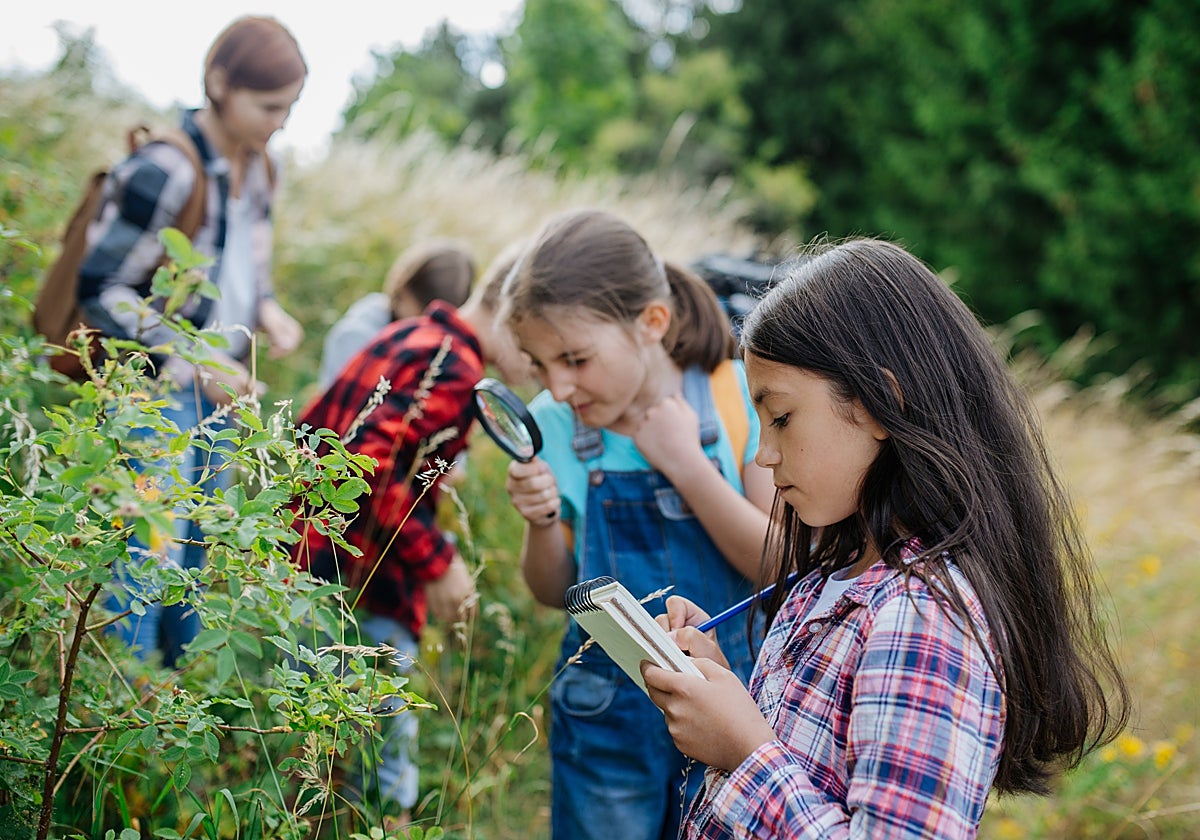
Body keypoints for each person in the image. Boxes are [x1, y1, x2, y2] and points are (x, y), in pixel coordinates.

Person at [641, 237, 1131, 838]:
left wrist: (745, 753)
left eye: (783, 417)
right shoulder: (836, 574)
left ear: (879, 402)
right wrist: (726, 698)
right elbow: (814, 760)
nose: (764, 453)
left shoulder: (925, 618)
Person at [499, 209, 776, 840]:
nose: (560, 386)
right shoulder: (555, 424)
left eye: (575, 358)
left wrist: (688, 466)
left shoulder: (735, 395)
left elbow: (775, 560)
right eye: (540, 365)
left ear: (651, 323)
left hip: (732, 703)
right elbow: (553, 590)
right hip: (606, 716)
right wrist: (540, 521)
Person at [79, 16, 308, 667]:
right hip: (156, 391)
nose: (280, 122)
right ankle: (120, 708)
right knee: (147, 551)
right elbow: (103, 286)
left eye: (290, 108)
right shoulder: (165, 170)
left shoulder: (263, 167)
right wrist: (189, 360)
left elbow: (246, 266)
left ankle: (173, 708)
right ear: (218, 83)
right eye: (269, 106)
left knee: (197, 550)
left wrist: (268, 309)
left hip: (223, 389)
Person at [290, 244, 531, 827]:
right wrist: (438, 562)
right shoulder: (455, 366)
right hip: (338, 566)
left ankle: (337, 812)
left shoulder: (417, 337)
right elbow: (370, 460)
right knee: (367, 712)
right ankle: (379, 821)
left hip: (326, 554)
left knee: (331, 718)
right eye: (544, 354)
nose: (545, 373)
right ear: (511, 315)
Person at [318, 239, 477, 388]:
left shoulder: (444, 347)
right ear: (404, 290)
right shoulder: (358, 336)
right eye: (424, 316)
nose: (429, 328)